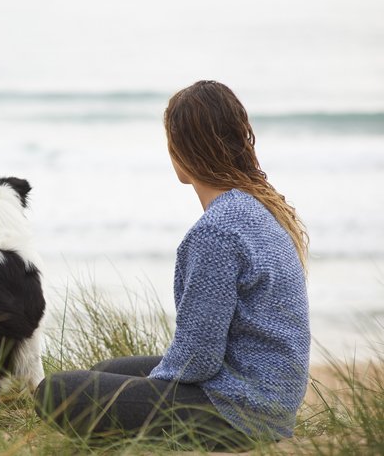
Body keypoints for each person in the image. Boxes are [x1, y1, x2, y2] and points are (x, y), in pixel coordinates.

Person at [34, 80, 311, 451]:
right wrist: (149, 384)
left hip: (239, 412)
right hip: (267, 401)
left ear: (179, 148)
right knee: (105, 372)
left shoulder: (217, 232)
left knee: (57, 391)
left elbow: (197, 359)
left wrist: (155, 386)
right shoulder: (258, 208)